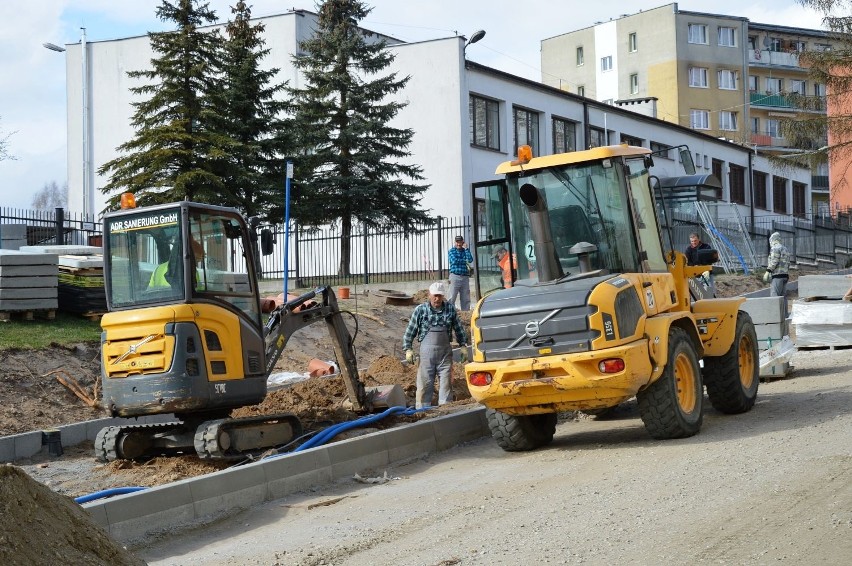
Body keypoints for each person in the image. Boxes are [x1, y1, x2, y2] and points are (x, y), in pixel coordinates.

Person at [402, 281, 468, 409]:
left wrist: (463, 345)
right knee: (425, 384)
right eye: (435, 296)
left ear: (443, 296)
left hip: (444, 355)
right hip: (427, 356)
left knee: (446, 384)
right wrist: (408, 348)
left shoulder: (449, 309)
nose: (437, 299)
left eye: (440, 296)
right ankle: (422, 411)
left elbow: (458, 328)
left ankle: (445, 410)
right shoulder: (421, 310)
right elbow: (410, 330)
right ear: (429, 295)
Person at [764, 231, 790, 311]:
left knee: (775, 296)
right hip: (785, 275)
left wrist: (768, 271)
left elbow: (774, 261)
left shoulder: (775, 248)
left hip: (777, 276)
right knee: (783, 297)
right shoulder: (785, 248)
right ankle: (784, 316)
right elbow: (788, 263)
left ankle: (775, 316)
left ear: (772, 240)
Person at [447, 234, 474, 310]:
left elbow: (470, 260)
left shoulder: (465, 251)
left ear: (463, 242)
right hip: (454, 276)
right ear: (455, 242)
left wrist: (466, 249)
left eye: (460, 242)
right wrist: (464, 261)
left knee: (465, 298)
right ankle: (450, 312)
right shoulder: (451, 251)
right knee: (451, 297)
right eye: (457, 242)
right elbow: (454, 261)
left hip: (465, 277)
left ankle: (465, 312)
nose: (458, 244)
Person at [685, 232, 714, 296]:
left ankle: (711, 301)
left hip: (706, 272)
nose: (693, 243)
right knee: (698, 294)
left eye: (695, 241)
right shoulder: (688, 250)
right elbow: (687, 261)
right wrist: (694, 266)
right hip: (695, 274)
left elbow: (710, 259)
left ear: (699, 239)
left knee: (709, 291)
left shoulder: (706, 247)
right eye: (692, 241)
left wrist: (700, 266)